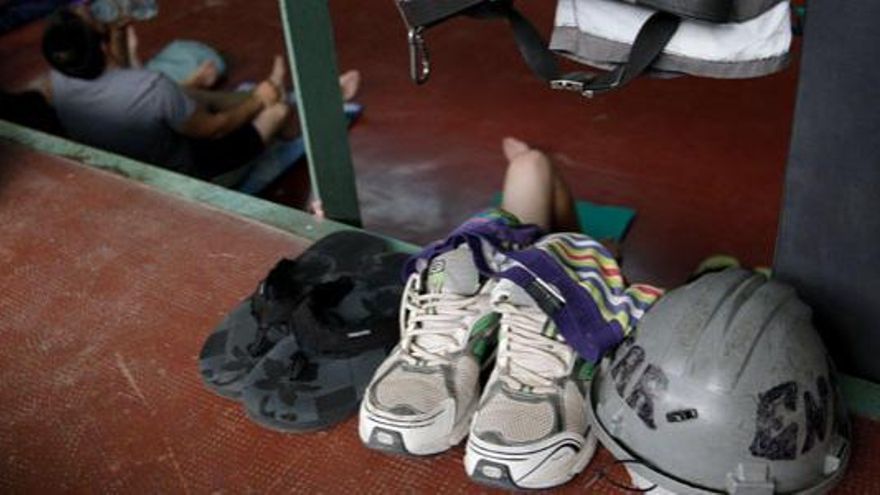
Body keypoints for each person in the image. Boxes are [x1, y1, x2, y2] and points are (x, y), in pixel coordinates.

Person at [358, 136, 662, 490]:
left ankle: (569, 265)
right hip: (515, 256)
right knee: (528, 167)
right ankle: (568, 264)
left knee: (529, 166)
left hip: (520, 250)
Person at [39, 8, 359, 182]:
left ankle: (274, 92)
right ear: (100, 44)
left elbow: (118, 76)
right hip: (187, 173)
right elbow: (214, 128)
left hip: (131, 162)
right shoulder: (152, 88)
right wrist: (258, 101)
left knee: (185, 93)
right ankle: (284, 100)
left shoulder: (58, 80)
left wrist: (118, 33)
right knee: (273, 112)